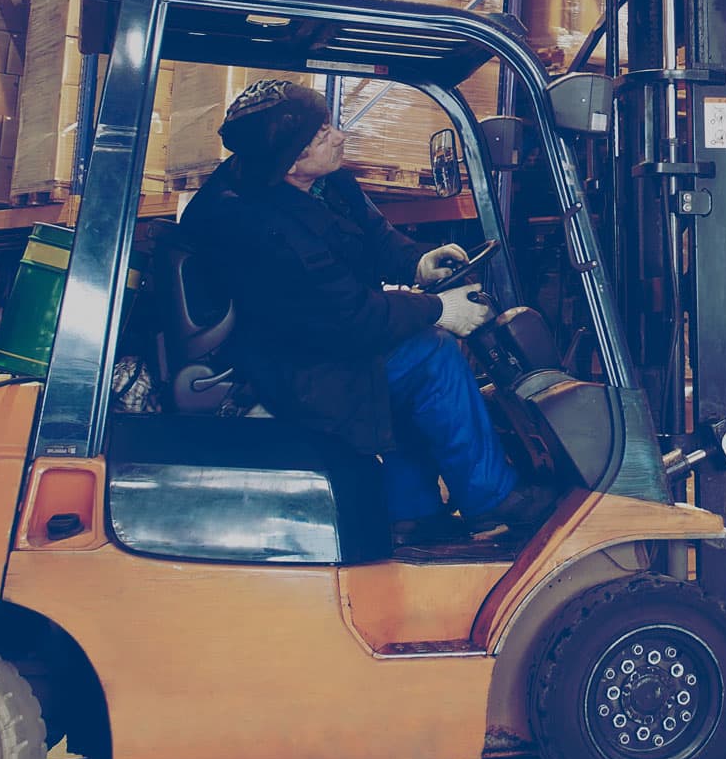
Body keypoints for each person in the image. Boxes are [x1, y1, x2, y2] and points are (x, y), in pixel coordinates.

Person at [178, 77, 554, 544]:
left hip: (321, 339)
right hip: (289, 366)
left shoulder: (324, 181)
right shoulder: (253, 224)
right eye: (323, 134)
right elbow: (350, 318)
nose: (339, 136)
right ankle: (492, 499)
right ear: (292, 159)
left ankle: (412, 512)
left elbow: (373, 238)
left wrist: (417, 262)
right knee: (431, 355)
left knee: (408, 362)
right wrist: (438, 310)